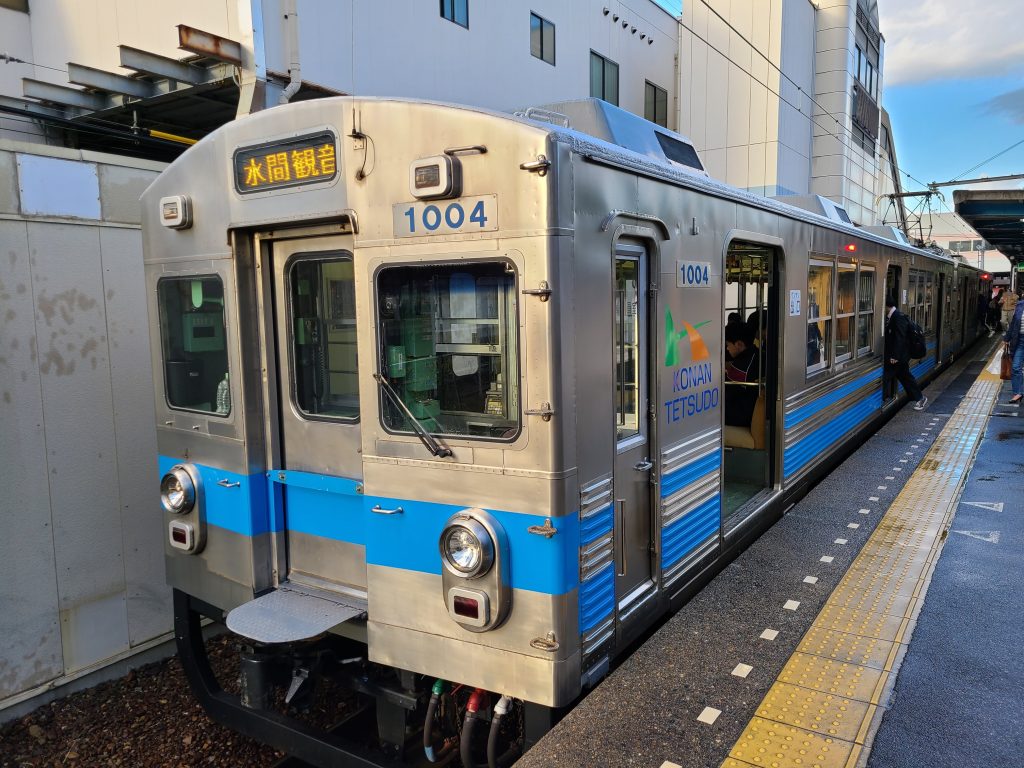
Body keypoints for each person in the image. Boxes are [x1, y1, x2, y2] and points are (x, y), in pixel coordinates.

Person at [884, 295, 927, 410]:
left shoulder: (897, 317)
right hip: (900, 356)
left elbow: (900, 337)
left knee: (889, 376)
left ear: (886, 306)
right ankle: (920, 398)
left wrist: (895, 356)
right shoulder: (894, 316)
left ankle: (920, 398)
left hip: (900, 356)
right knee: (905, 377)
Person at [724, 324, 760, 426]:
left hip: (741, 415)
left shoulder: (740, 367)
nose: (727, 348)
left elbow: (726, 391)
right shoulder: (757, 354)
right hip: (750, 410)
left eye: (728, 345)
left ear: (739, 344)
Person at [1003, 290, 1024, 405]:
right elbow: (1013, 325)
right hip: (1020, 341)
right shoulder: (1020, 306)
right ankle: (1018, 393)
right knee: (1016, 367)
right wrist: (1007, 338)